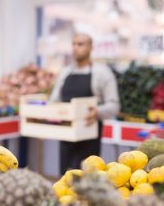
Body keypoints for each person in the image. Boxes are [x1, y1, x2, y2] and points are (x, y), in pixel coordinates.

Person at [49, 32, 120, 175]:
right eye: (73, 44)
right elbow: (54, 101)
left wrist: (98, 112)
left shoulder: (103, 73)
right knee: (65, 179)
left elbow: (114, 105)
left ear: (90, 48)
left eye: (80, 44)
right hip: (66, 136)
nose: (75, 48)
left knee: (87, 182)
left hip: (89, 138)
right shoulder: (64, 73)